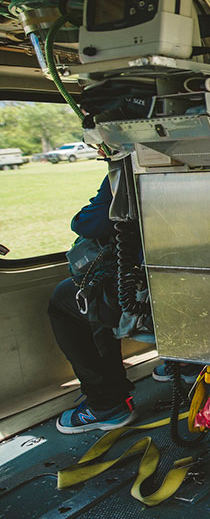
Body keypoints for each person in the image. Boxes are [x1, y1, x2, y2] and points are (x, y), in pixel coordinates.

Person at [49, 175, 138, 433]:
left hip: (141, 288)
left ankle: (105, 404)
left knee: (64, 302)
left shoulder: (123, 165)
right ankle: (185, 366)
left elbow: (90, 223)